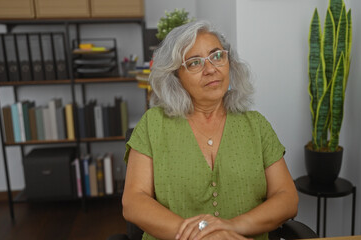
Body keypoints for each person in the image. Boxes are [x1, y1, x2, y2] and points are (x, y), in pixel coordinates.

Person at [122, 20, 298, 240]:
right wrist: (203, 236)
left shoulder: (256, 125)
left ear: (229, 62)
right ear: (175, 76)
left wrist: (230, 228)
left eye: (217, 56)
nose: (211, 69)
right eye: (195, 63)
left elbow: (287, 198)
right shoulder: (153, 124)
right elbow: (133, 202)